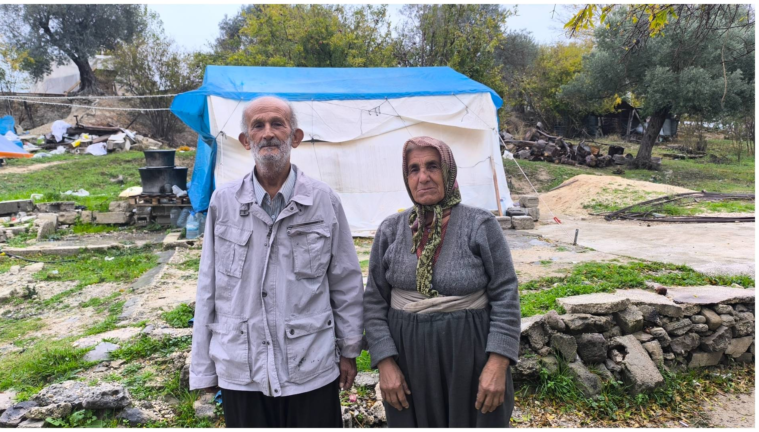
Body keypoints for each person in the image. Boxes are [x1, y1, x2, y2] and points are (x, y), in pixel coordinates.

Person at [189, 96, 365, 428]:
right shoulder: (223, 203)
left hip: (310, 365)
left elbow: (345, 281)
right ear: (246, 140)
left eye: (277, 124)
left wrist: (349, 350)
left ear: (295, 137)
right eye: (258, 126)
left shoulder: (323, 201)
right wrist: (203, 368)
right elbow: (208, 287)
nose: (268, 133)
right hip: (242, 368)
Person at [363, 136, 521, 427]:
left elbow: (506, 293)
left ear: (448, 171)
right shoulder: (390, 230)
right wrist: (384, 362)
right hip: (407, 366)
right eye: (414, 169)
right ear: (406, 177)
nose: (423, 177)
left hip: (472, 361)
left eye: (432, 166)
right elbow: (374, 300)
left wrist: (498, 362)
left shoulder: (480, 224)